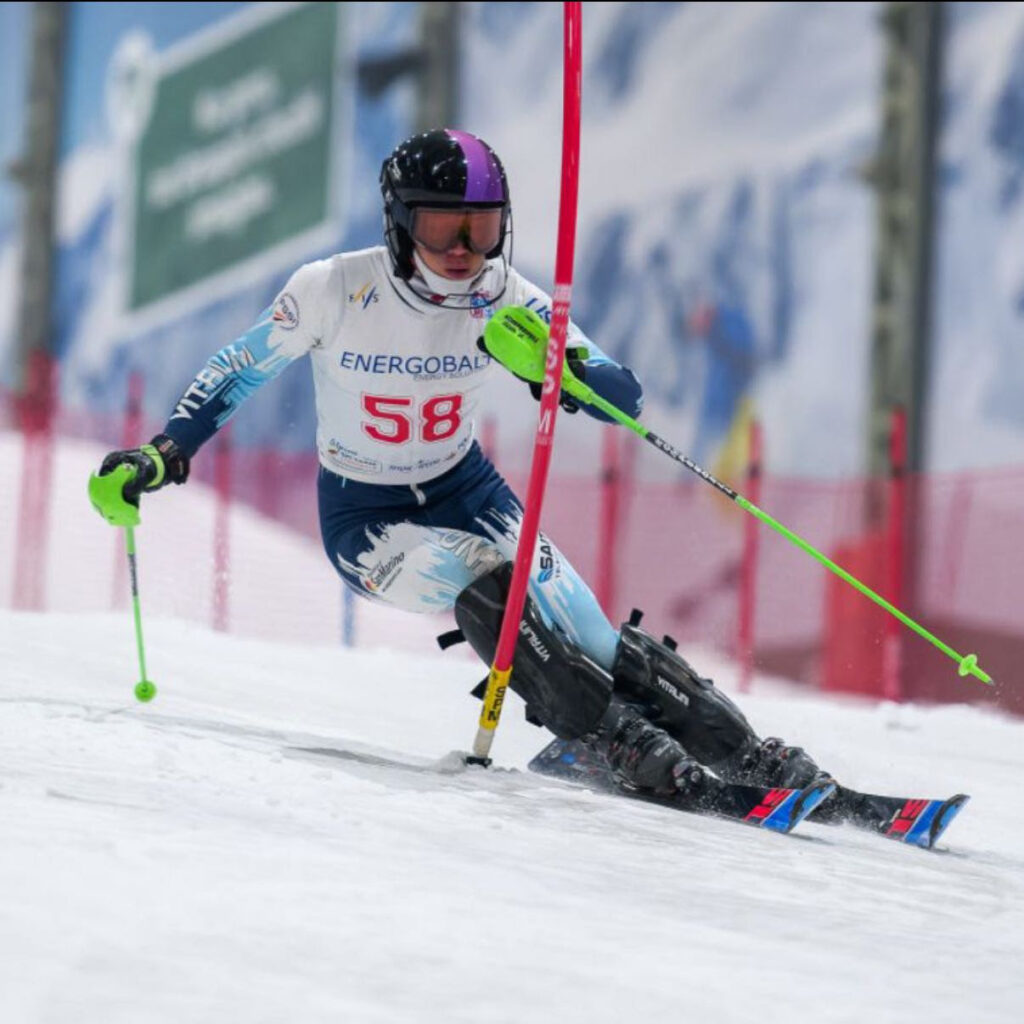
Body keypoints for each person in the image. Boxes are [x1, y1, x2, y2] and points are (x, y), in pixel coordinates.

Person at [91, 128, 827, 804]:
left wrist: (560, 371)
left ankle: (738, 751)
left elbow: (623, 397)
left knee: (593, 634)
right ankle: (605, 737)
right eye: (443, 227)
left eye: (483, 227)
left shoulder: (504, 295)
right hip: (367, 517)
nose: (464, 249)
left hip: (468, 489)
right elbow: (238, 367)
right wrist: (165, 452)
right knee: (488, 580)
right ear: (399, 222)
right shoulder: (334, 288)